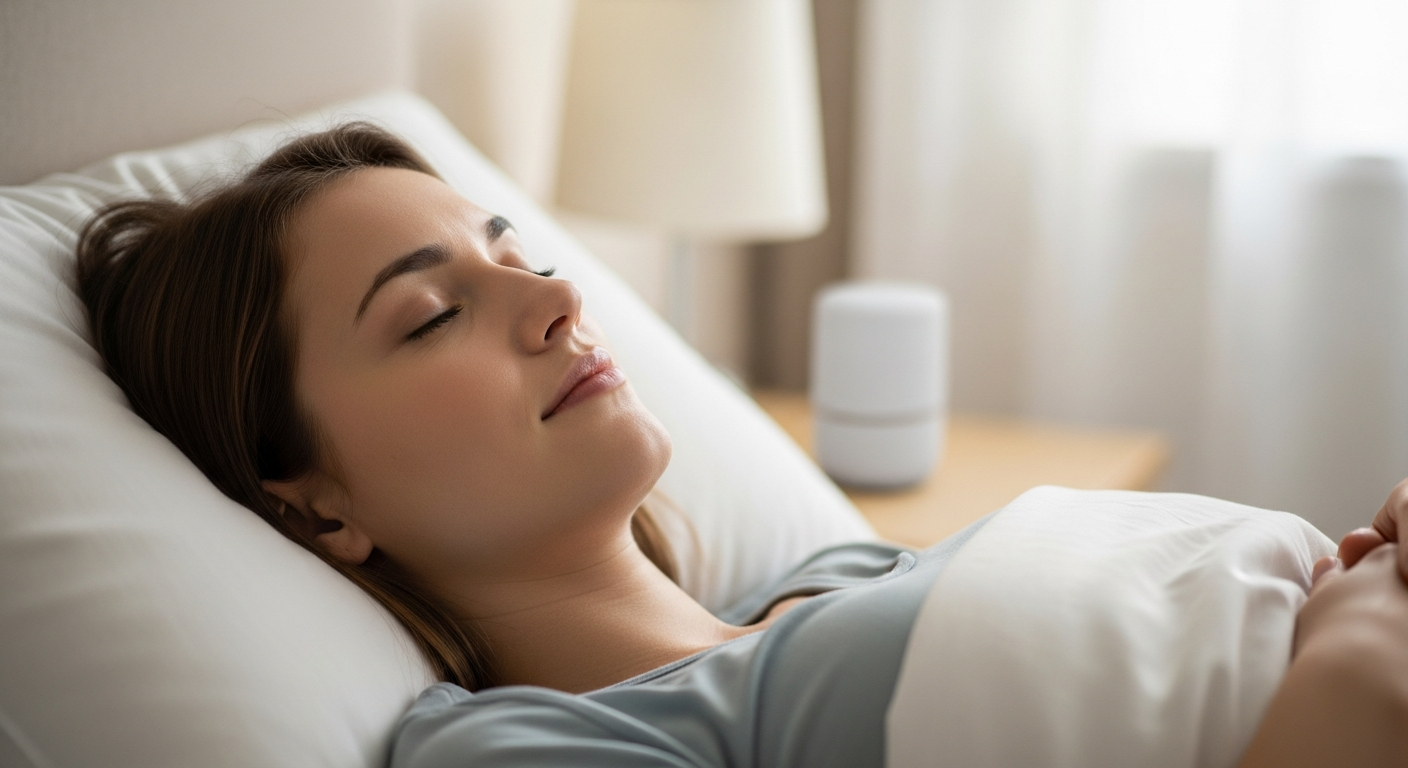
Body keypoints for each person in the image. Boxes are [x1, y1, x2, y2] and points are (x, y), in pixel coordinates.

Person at [74, 123, 1408, 767]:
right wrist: (1354, 666)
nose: (555, 301)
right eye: (433, 317)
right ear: (314, 509)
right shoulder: (519, 751)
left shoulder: (837, 579)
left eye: (522, 255)